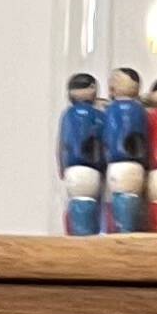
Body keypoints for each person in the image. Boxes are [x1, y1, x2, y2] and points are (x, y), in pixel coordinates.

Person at [102, 67, 151, 232]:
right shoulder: (138, 109)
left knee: (122, 196)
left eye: (114, 82)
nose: (110, 87)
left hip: (122, 165)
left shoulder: (117, 109)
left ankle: (125, 232)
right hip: (128, 166)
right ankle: (124, 231)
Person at [57, 73, 106, 235]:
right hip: (91, 169)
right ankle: (84, 235)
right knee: (87, 201)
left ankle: (79, 234)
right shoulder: (96, 115)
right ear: (93, 89)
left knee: (78, 200)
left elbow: (60, 145)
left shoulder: (68, 115)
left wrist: (61, 165)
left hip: (75, 169)